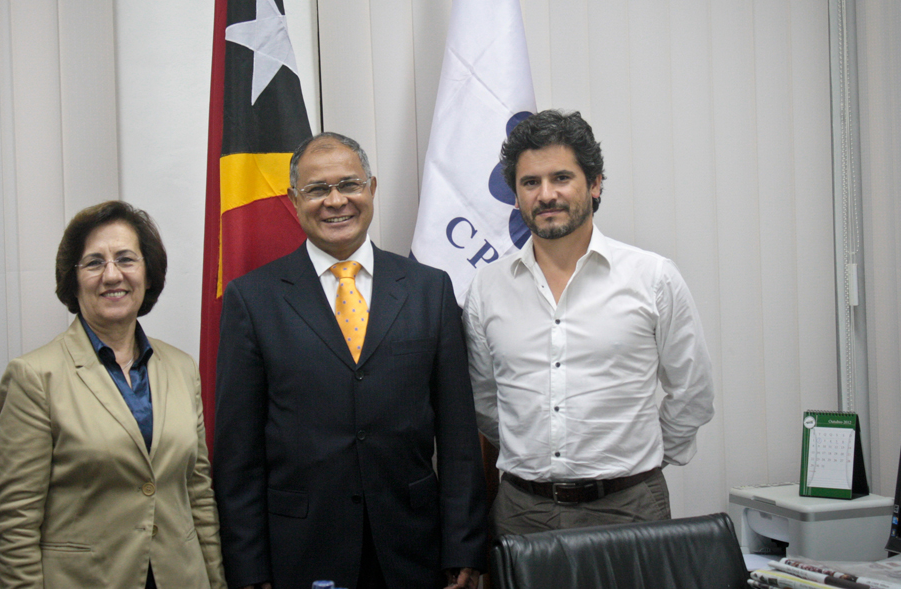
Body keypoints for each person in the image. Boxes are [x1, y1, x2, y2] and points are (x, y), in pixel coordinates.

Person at [213, 132, 488, 589]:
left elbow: (458, 436)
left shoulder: (429, 290)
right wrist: (248, 566)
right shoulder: (253, 299)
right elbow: (237, 453)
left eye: (350, 185)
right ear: (294, 200)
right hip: (299, 551)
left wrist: (462, 545)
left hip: (413, 546)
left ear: (372, 189)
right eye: (318, 189)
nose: (336, 201)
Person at [464, 110, 715, 537]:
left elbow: (692, 393)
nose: (546, 194)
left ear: (595, 183)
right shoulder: (487, 287)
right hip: (522, 512)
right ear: (516, 194)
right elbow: (486, 400)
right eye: (530, 182)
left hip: (630, 508)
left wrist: (636, 464)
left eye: (561, 178)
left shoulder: (652, 278)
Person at [0, 201, 227, 589]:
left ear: (148, 274)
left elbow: (198, 495)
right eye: (94, 262)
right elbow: (17, 521)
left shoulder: (182, 369)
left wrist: (216, 582)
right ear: (74, 279)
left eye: (126, 259)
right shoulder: (35, 378)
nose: (112, 275)